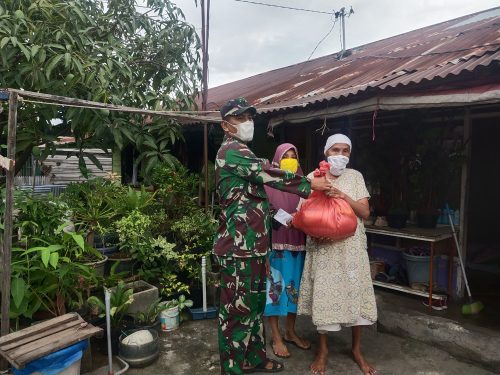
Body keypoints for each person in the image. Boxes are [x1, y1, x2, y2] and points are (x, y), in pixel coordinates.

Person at [214, 97, 332, 375]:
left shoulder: (244, 153)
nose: (247, 123)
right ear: (225, 125)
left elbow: (258, 205)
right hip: (236, 249)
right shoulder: (230, 151)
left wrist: (287, 221)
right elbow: (266, 172)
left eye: (250, 117)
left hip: (254, 247)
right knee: (235, 313)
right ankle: (232, 369)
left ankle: (254, 359)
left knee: (255, 307)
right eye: (241, 118)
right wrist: (308, 183)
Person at [298, 133, 377, 375]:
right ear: (326, 152)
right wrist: (314, 232)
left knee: (354, 293)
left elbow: (364, 212)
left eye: (345, 151)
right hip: (325, 249)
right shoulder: (314, 178)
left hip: (351, 248)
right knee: (325, 295)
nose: (340, 155)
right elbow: (302, 214)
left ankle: (356, 349)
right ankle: (323, 350)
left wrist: (342, 195)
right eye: (335, 150)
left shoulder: (355, 177)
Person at [263, 143, 311, 359]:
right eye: (285, 156)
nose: (290, 160)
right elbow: (264, 213)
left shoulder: (303, 184)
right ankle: (276, 336)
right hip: (276, 247)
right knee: (275, 292)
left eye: (294, 156)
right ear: (276, 160)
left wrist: (302, 219)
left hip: (299, 246)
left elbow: (310, 211)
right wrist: (287, 219)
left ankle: (290, 331)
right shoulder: (268, 183)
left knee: (294, 291)